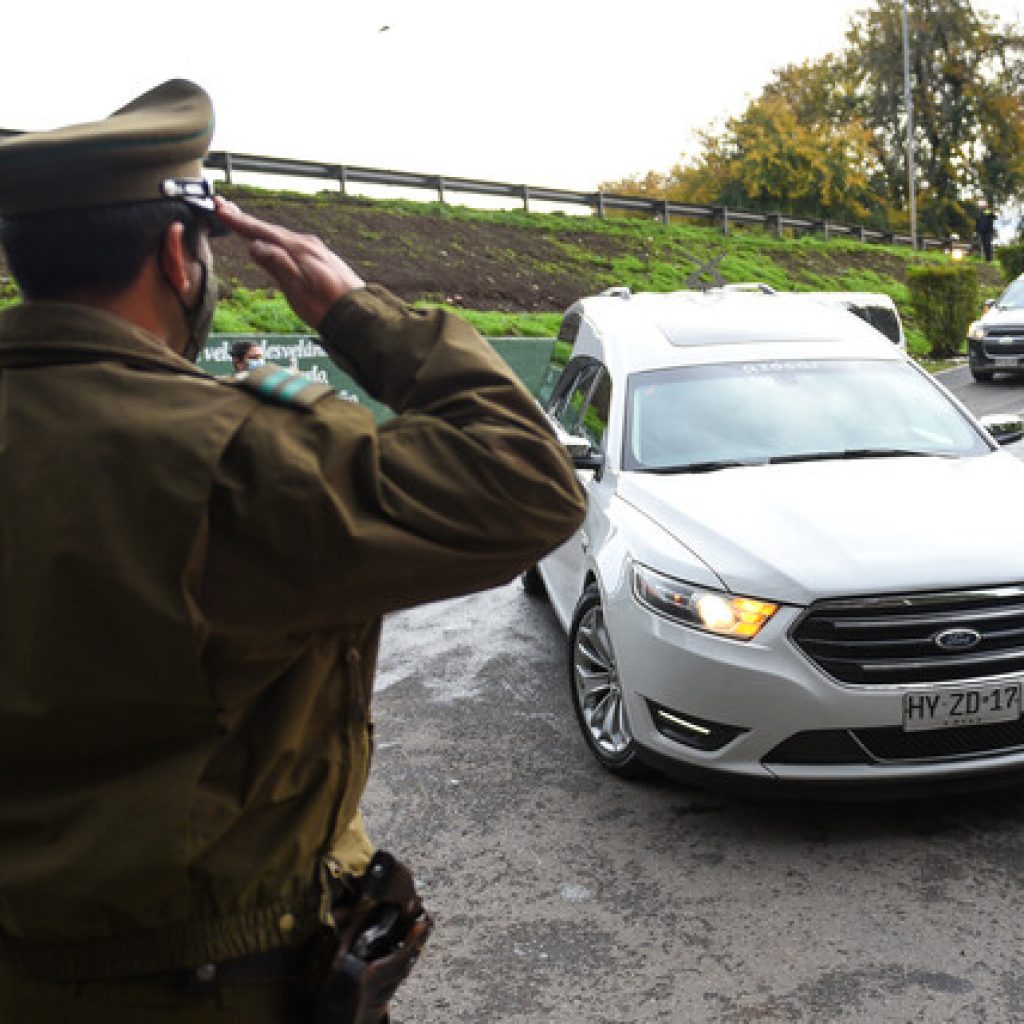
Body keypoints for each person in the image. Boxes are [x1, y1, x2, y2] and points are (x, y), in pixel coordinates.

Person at [0, 80, 586, 1022]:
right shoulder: (240, 457)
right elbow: (528, 482)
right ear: (177, 256)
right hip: (211, 985)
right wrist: (356, 310)